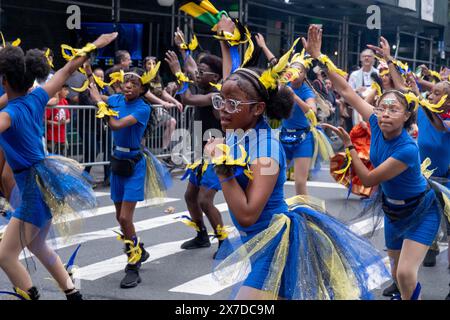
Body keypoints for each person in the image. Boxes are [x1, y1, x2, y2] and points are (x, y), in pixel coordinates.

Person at [203, 17, 389, 300]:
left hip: (273, 251)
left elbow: (247, 213)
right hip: (259, 246)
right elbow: (232, 80)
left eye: (232, 104)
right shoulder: (240, 128)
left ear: (258, 109)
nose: (223, 110)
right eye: (221, 101)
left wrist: (222, 165)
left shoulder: (264, 148)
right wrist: (225, 41)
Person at [306, 26, 448, 299]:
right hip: (392, 210)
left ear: (407, 116)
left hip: (421, 210)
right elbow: (347, 91)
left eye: (393, 110)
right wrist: (319, 56)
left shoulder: (407, 148)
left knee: (406, 274)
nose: (384, 114)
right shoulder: (374, 120)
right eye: (382, 108)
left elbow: (370, 180)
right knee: (396, 273)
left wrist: (349, 146)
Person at [0, 32, 116, 300]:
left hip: (32, 191)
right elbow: (66, 69)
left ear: (4, 80)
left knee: (6, 256)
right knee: (39, 246)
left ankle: (31, 295)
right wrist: (94, 45)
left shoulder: (9, 114)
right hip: (46, 184)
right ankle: (72, 293)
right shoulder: (36, 97)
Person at [88, 66, 172, 289]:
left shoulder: (143, 108)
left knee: (125, 218)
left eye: (134, 84)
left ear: (143, 88)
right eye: (126, 81)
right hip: (117, 163)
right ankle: (139, 250)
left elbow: (114, 123)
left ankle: (133, 264)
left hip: (135, 165)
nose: (128, 86)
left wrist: (98, 101)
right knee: (119, 217)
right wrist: (87, 70)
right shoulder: (116, 99)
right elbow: (96, 91)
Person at [165, 34, 226, 257]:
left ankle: (223, 241)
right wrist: (184, 51)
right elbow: (191, 68)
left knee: (204, 199)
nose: (197, 74)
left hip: (218, 153)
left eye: (203, 71)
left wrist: (177, 73)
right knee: (190, 197)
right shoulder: (203, 84)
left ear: (215, 76)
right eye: (198, 71)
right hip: (201, 152)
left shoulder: (216, 94)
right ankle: (201, 235)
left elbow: (188, 99)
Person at [348, 49, 378, 127]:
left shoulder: (378, 74)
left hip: (374, 106)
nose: (366, 58)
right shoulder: (354, 75)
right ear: (361, 59)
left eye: (369, 56)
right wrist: (357, 90)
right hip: (359, 105)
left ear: (373, 59)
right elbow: (348, 92)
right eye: (364, 56)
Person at [45, 84, 70, 155]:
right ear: (58, 90)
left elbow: (68, 119)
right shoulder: (52, 103)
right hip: (52, 137)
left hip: (62, 136)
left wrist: (64, 121)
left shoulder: (65, 102)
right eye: (65, 90)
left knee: (62, 158)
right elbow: (45, 120)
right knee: (51, 158)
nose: (68, 92)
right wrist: (56, 123)